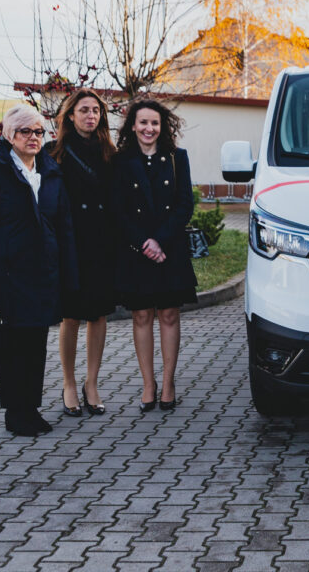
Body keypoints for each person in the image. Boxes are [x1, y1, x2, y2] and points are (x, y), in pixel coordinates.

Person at [0, 104, 76, 435]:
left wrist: (69, 272)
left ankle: (31, 407)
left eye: (39, 131)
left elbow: (64, 225)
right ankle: (15, 413)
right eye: (25, 131)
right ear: (8, 135)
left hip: (43, 272)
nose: (33, 137)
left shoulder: (51, 170)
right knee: (14, 346)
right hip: (8, 275)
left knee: (35, 343)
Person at [113, 99, 196, 412]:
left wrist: (159, 241)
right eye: (143, 122)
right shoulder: (120, 162)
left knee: (169, 314)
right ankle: (148, 384)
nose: (149, 129)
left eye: (155, 123)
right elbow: (118, 210)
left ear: (163, 127)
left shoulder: (177, 158)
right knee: (142, 315)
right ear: (133, 125)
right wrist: (143, 242)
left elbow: (184, 205)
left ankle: (169, 382)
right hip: (136, 251)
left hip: (169, 249)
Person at [46, 89, 117, 417]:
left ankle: (92, 383)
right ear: (70, 115)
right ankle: (69, 383)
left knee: (98, 314)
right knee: (70, 315)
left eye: (96, 111)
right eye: (84, 110)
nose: (91, 116)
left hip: (102, 243)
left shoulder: (109, 153)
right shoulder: (55, 152)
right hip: (70, 243)